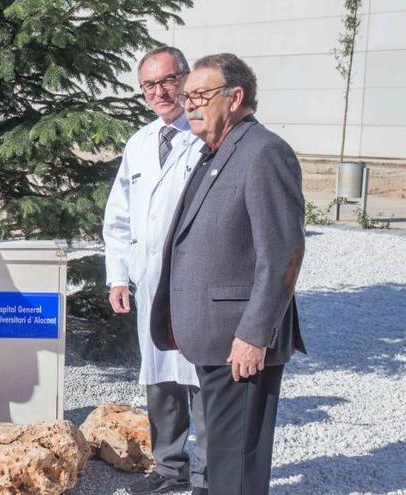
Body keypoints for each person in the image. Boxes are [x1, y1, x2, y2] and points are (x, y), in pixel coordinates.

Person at [150, 53, 306, 495]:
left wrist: (255, 334)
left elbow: (283, 253)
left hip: (238, 341)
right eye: (187, 96)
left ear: (235, 97)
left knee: (235, 468)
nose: (189, 105)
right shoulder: (215, 151)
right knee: (222, 460)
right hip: (214, 340)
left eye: (200, 95)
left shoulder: (263, 152)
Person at [103, 46, 208, 495]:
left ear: (186, 80)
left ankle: (208, 474)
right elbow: (119, 216)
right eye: (149, 85)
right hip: (149, 281)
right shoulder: (140, 141)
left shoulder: (208, 137)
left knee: (202, 376)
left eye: (168, 81)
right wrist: (118, 276)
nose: (160, 92)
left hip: (196, 282)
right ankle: (170, 468)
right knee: (160, 374)